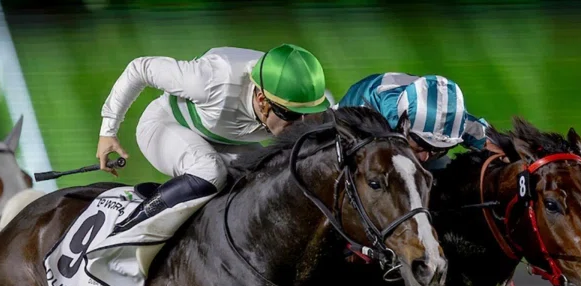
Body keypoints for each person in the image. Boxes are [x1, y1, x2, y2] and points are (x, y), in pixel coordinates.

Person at [94, 44, 331, 231]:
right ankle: (130, 226)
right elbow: (140, 68)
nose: (301, 125)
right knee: (209, 170)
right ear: (262, 100)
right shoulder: (211, 80)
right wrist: (108, 131)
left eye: (308, 115)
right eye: (289, 114)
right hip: (166, 125)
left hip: (229, 141)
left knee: (271, 176)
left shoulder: (304, 98)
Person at [338, 73, 490, 165]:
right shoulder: (374, 117)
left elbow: (487, 139)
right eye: (421, 147)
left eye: (437, 150)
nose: (424, 157)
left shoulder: (450, 124)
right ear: (403, 127)